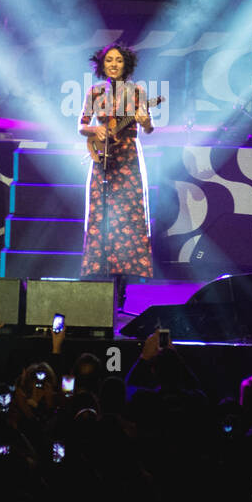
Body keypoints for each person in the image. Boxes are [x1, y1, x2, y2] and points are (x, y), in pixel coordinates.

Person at [78, 44, 154, 309]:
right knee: (103, 219)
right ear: (102, 64)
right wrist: (94, 131)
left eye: (118, 60)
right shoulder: (95, 92)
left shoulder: (138, 92)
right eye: (109, 60)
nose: (113, 64)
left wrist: (144, 121)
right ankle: (103, 287)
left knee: (128, 222)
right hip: (103, 159)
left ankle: (121, 290)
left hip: (129, 160)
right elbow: (82, 124)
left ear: (126, 64)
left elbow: (149, 127)